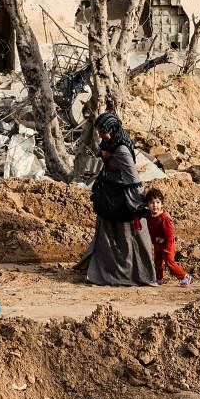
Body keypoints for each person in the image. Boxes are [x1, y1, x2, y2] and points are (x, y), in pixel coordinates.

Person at [77, 112, 157, 286]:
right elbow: (103, 151)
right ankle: (102, 269)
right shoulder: (110, 142)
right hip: (109, 196)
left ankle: (131, 273)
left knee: (127, 237)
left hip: (121, 200)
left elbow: (132, 176)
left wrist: (138, 200)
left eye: (102, 131)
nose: (99, 135)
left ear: (112, 130)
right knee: (107, 235)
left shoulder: (121, 150)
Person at [138, 188, 191, 286]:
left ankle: (184, 276)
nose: (155, 205)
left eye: (158, 202)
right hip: (157, 244)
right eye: (151, 203)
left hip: (168, 244)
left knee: (169, 262)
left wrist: (167, 247)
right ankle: (159, 279)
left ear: (162, 204)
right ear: (147, 205)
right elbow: (138, 212)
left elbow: (170, 235)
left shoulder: (164, 218)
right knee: (157, 262)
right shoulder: (149, 216)